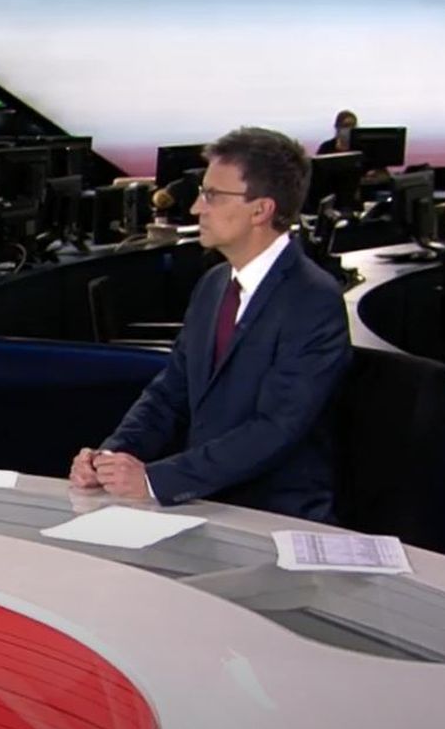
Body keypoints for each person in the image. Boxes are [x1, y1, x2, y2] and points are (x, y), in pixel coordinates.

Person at [70, 127, 351, 522]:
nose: (195, 208)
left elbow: (276, 428)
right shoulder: (214, 284)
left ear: (261, 210)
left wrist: (155, 481)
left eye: (212, 196)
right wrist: (112, 456)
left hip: (273, 517)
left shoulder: (312, 299)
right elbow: (170, 392)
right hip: (204, 502)